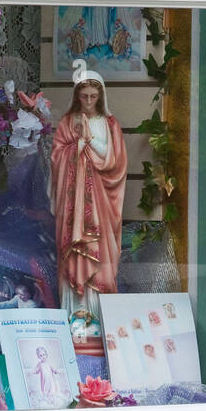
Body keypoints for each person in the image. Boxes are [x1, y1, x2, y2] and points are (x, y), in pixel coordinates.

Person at [50, 70, 128, 323]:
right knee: (75, 252)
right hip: (74, 202)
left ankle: (97, 316)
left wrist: (90, 140)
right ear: (77, 96)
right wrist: (78, 146)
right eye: (84, 96)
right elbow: (57, 157)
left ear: (100, 96)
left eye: (93, 96)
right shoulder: (66, 122)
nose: (88, 100)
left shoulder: (110, 123)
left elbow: (114, 161)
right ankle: (73, 313)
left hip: (100, 200)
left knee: (100, 250)